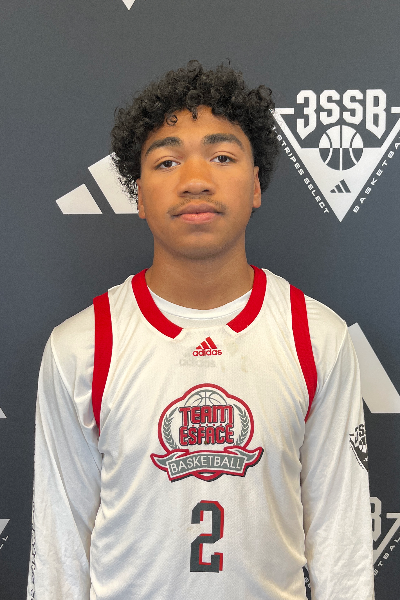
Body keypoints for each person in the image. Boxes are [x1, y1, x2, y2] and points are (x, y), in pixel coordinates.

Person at [27, 61, 374, 600]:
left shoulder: (317, 337)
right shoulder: (81, 346)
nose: (194, 180)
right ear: (138, 196)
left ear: (255, 185)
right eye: (166, 161)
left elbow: (341, 539)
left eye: (222, 157)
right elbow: (59, 546)